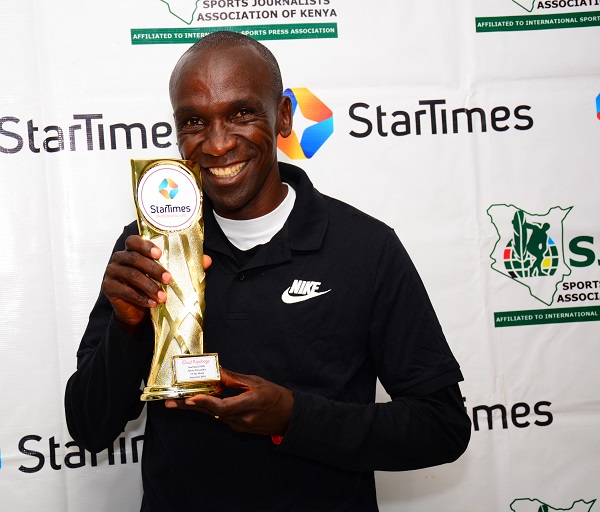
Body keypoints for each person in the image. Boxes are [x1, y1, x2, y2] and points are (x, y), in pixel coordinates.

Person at [65, 31, 471, 511]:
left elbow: (442, 427)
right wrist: (126, 330)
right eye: (195, 121)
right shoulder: (150, 247)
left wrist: (293, 418)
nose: (216, 145)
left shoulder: (365, 247)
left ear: (282, 116)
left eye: (241, 113)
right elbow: (90, 429)